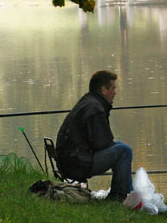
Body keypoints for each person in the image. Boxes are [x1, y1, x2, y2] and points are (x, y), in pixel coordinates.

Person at [56, 70, 133, 200]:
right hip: (77, 164)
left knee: (120, 146)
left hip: (72, 159)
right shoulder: (95, 109)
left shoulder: (89, 102)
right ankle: (120, 195)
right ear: (104, 90)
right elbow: (102, 143)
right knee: (124, 151)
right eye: (113, 89)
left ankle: (122, 192)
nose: (115, 93)